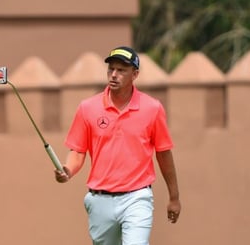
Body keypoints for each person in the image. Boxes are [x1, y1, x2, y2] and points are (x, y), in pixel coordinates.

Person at [54, 46, 181, 245]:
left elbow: (164, 154)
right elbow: (78, 151)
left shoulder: (152, 108)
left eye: (121, 70)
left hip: (137, 197)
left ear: (135, 74)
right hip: (100, 200)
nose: (114, 75)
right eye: (111, 69)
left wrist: (174, 197)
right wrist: (68, 170)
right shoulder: (88, 108)